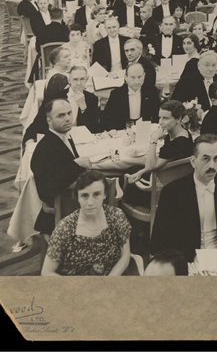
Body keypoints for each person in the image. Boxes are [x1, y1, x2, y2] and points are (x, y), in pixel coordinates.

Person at [149, 134, 217, 262]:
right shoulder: (172, 192)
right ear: (193, 161)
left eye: (216, 158)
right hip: (188, 258)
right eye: (206, 159)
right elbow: (158, 243)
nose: (212, 166)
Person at [41, 170, 131, 276]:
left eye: (97, 194)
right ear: (77, 197)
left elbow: (125, 255)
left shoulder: (116, 216)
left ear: (105, 194)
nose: (91, 203)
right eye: (84, 196)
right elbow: (46, 272)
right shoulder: (65, 228)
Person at [30, 99, 92, 237]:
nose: (68, 119)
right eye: (61, 116)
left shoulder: (64, 137)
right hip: (64, 211)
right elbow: (46, 189)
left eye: (69, 113)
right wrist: (77, 164)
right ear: (49, 121)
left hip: (73, 203)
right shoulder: (45, 148)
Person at [120, 100, 197, 207]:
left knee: (123, 177)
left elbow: (150, 165)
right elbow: (159, 162)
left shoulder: (179, 143)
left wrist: (154, 138)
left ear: (178, 119)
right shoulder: (182, 134)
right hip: (170, 183)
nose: (161, 122)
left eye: (166, 118)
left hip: (162, 192)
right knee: (132, 169)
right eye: (160, 117)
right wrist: (142, 172)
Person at [101, 63, 161, 130]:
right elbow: (108, 119)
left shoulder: (151, 92)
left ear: (144, 75)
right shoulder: (116, 95)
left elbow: (157, 116)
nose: (136, 82)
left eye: (139, 77)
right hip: (122, 132)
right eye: (133, 77)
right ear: (126, 78)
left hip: (145, 131)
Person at [67, 66, 101, 133]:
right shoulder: (56, 97)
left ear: (86, 80)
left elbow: (93, 128)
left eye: (82, 79)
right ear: (69, 80)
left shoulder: (93, 99)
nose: (79, 83)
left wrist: (83, 108)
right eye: (75, 79)